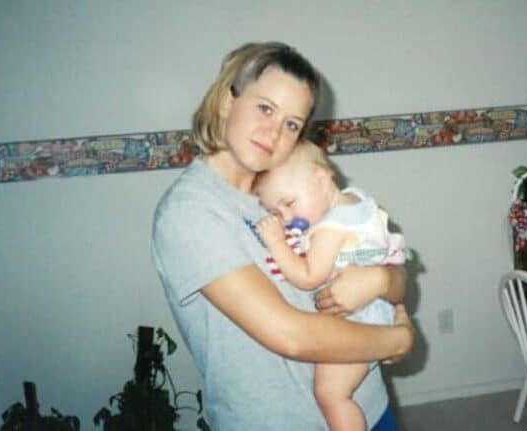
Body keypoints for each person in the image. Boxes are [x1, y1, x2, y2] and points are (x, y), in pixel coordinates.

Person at [150, 41, 414, 430]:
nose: (274, 132)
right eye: (265, 108)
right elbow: (290, 335)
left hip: (365, 406)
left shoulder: (291, 186)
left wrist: (379, 279)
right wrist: (399, 341)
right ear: (227, 100)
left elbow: (382, 258)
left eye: (292, 123)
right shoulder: (189, 213)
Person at [254, 140, 408, 431]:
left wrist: (276, 243)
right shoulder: (357, 200)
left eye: (288, 203)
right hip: (375, 309)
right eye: (275, 212)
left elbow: (308, 277)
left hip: (358, 318)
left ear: (321, 177)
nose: (286, 219)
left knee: (331, 394)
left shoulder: (329, 229)